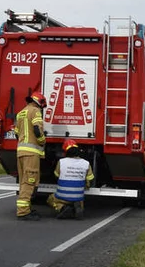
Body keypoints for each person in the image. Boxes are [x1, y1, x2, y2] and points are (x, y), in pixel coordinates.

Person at [15, 91, 47, 220]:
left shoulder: (20, 113)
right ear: (38, 102)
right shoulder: (35, 111)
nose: (41, 108)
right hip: (31, 153)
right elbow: (37, 129)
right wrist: (42, 141)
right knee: (30, 181)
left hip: (21, 152)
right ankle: (23, 212)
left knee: (24, 181)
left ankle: (26, 208)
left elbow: (17, 133)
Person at [47, 139, 94, 219]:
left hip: (62, 196)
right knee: (79, 198)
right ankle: (79, 207)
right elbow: (90, 178)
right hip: (78, 196)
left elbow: (56, 175)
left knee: (50, 199)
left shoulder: (61, 162)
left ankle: (62, 208)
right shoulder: (86, 163)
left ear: (66, 151)